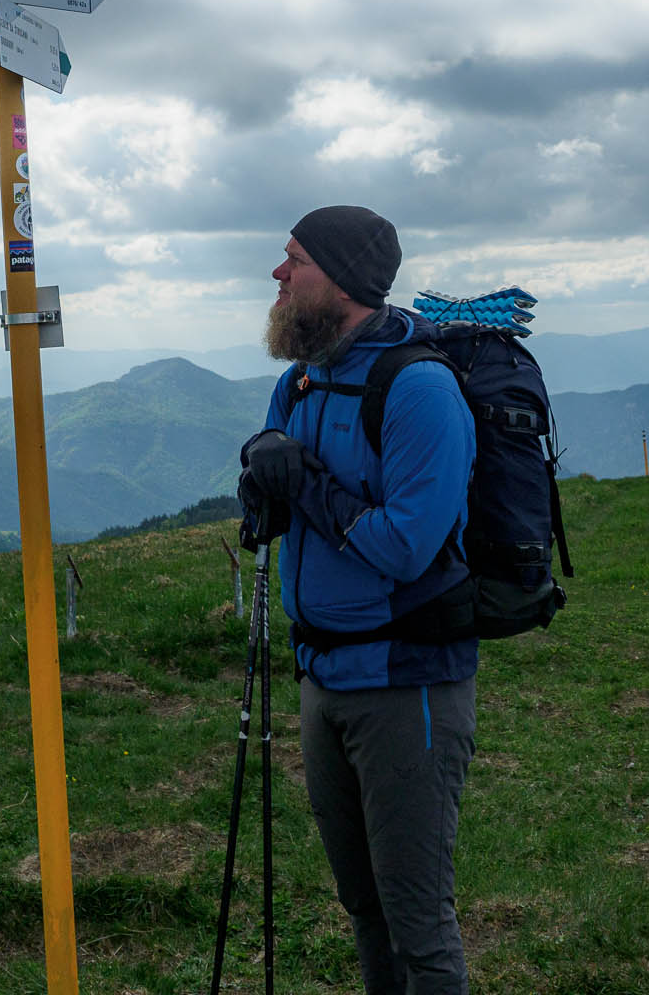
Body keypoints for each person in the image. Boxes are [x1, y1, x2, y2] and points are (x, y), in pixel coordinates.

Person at [238, 205, 479, 995]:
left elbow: (407, 547)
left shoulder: (419, 389)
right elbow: (272, 508)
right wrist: (261, 480)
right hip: (322, 677)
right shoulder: (299, 380)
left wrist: (301, 481)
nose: (278, 275)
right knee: (363, 906)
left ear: (339, 279)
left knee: (417, 918)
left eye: (294, 259)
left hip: (406, 683)